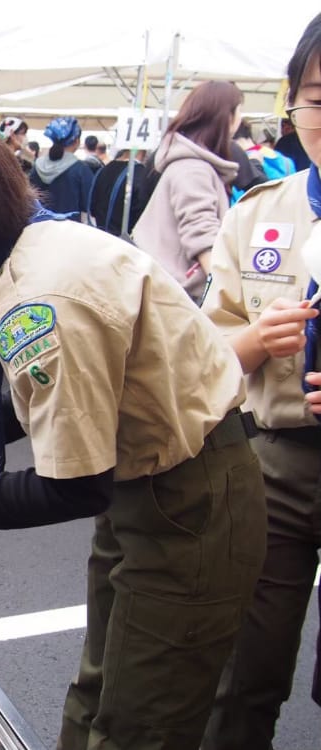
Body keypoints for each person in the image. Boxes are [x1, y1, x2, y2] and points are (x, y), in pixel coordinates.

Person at [0, 112, 266, 750]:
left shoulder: (44, 298)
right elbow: (82, 388)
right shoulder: (25, 250)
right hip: (149, 482)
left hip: (189, 501)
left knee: (140, 725)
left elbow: (75, 488)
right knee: (99, 692)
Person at [201, 13, 321, 748]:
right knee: (243, 671)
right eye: (319, 96)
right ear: (291, 102)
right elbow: (198, 351)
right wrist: (247, 343)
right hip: (272, 463)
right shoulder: (257, 216)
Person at [131, 81, 242, 304]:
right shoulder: (193, 168)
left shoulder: (191, 165)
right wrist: (230, 295)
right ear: (225, 116)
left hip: (170, 289)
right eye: (239, 112)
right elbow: (201, 234)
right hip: (179, 295)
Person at [29, 116, 94, 221]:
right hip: (68, 231)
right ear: (76, 141)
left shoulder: (37, 166)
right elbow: (89, 205)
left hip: (39, 227)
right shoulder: (81, 170)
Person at [87, 148, 149, 236]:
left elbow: (92, 208)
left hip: (100, 237)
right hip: (126, 243)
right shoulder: (141, 175)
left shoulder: (103, 170)